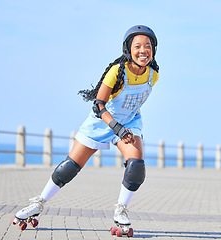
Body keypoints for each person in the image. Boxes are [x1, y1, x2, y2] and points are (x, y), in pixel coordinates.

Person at [13, 25, 159, 230]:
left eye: (148, 46)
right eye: (137, 46)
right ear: (128, 48)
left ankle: (120, 210)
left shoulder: (153, 75)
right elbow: (99, 105)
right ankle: (38, 203)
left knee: (136, 166)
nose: (143, 50)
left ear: (154, 49)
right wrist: (116, 127)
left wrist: (125, 127)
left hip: (129, 122)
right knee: (70, 167)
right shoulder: (117, 71)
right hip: (103, 121)